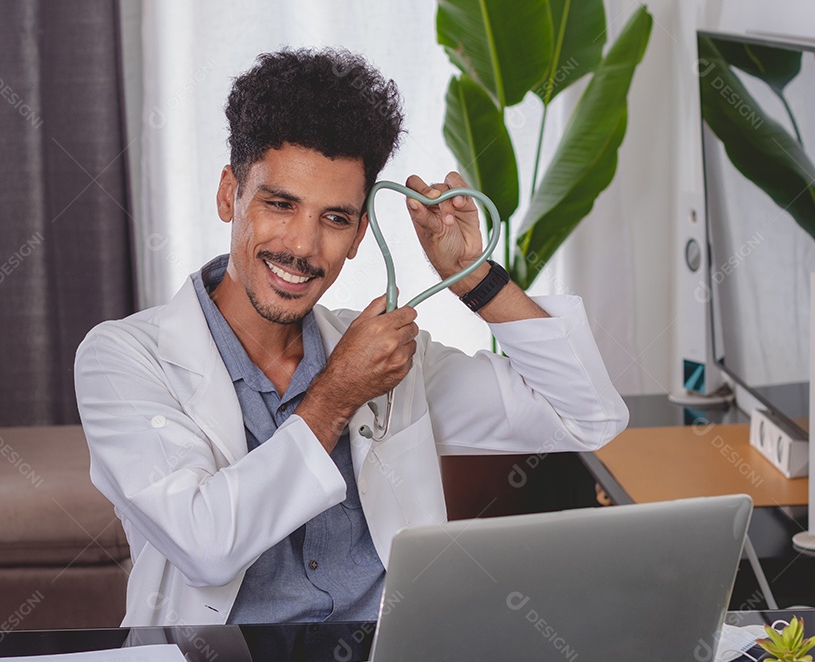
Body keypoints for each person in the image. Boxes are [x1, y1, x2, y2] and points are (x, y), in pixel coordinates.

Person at [75, 48, 628, 627]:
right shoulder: (123, 359)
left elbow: (585, 415)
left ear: (361, 233)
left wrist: (475, 277)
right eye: (280, 204)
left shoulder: (387, 359)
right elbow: (203, 545)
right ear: (228, 194)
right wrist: (338, 393)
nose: (302, 246)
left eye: (335, 218)